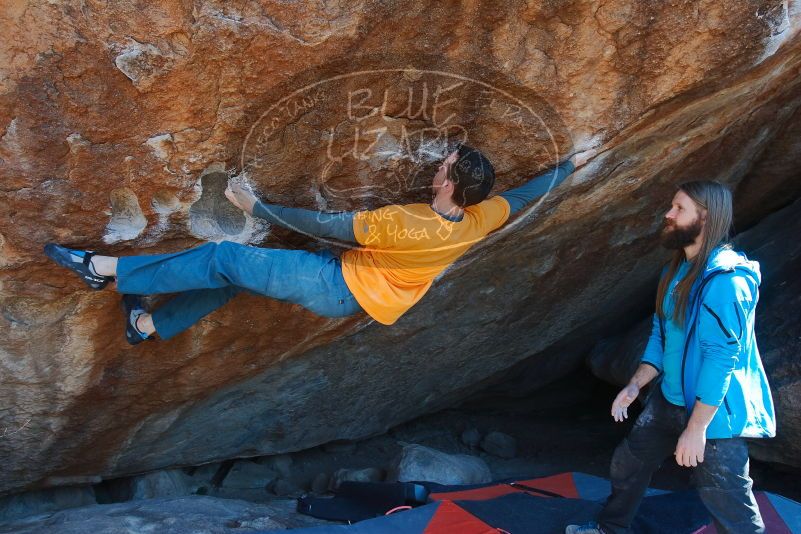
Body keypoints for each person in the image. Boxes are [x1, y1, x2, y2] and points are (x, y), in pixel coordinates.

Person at [45, 144, 592, 345]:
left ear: (449, 184)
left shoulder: (408, 223)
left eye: (444, 165)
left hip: (335, 282)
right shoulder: (477, 218)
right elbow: (521, 197)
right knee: (235, 279)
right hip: (353, 290)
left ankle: (104, 268)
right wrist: (568, 167)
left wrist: (255, 208)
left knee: (222, 257)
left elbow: (327, 225)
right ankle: (147, 326)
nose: (438, 163)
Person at [566, 181, 776, 534]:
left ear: (705, 218)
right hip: (669, 400)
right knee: (628, 464)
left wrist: (697, 429)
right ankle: (610, 528)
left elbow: (720, 358)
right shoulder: (676, 271)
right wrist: (636, 384)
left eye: (679, 208)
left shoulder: (726, 282)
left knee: (728, 499)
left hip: (713, 415)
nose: (668, 214)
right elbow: (662, 336)